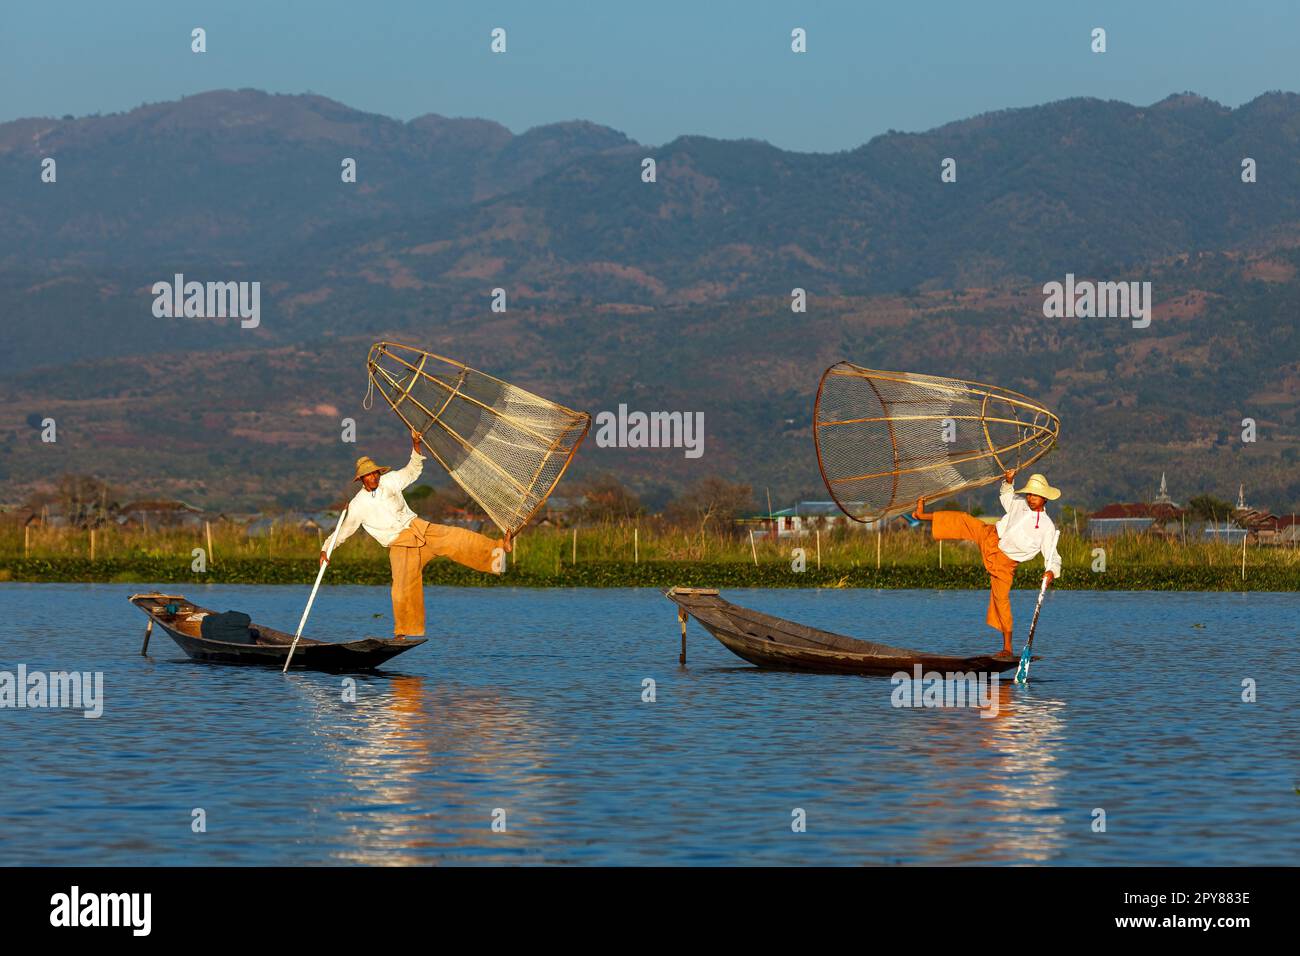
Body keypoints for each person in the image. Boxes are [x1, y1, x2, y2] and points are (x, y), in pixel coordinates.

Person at [320, 429, 509, 638]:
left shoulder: (390, 480)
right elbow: (344, 531)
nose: (373, 477)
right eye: (368, 475)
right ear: (362, 479)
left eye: (375, 473)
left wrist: (416, 445)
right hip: (399, 544)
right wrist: (326, 549)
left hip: (419, 529)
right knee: (402, 588)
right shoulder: (357, 505)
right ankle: (403, 631)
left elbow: (412, 471)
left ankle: (499, 551)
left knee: (457, 537)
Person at [912, 470, 1062, 656]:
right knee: (964, 520)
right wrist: (1008, 481)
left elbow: (1052, 556)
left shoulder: (1047, 526)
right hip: (990, 535)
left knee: (1001, 599)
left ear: (1044, 499)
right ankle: (921, 515)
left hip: (1006, 563)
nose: (1031, 498)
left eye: (1036, 495)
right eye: (1029, 494)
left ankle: (1007, 648)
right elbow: (1006, 495)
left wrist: (1051, 572)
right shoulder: (1019, 503)